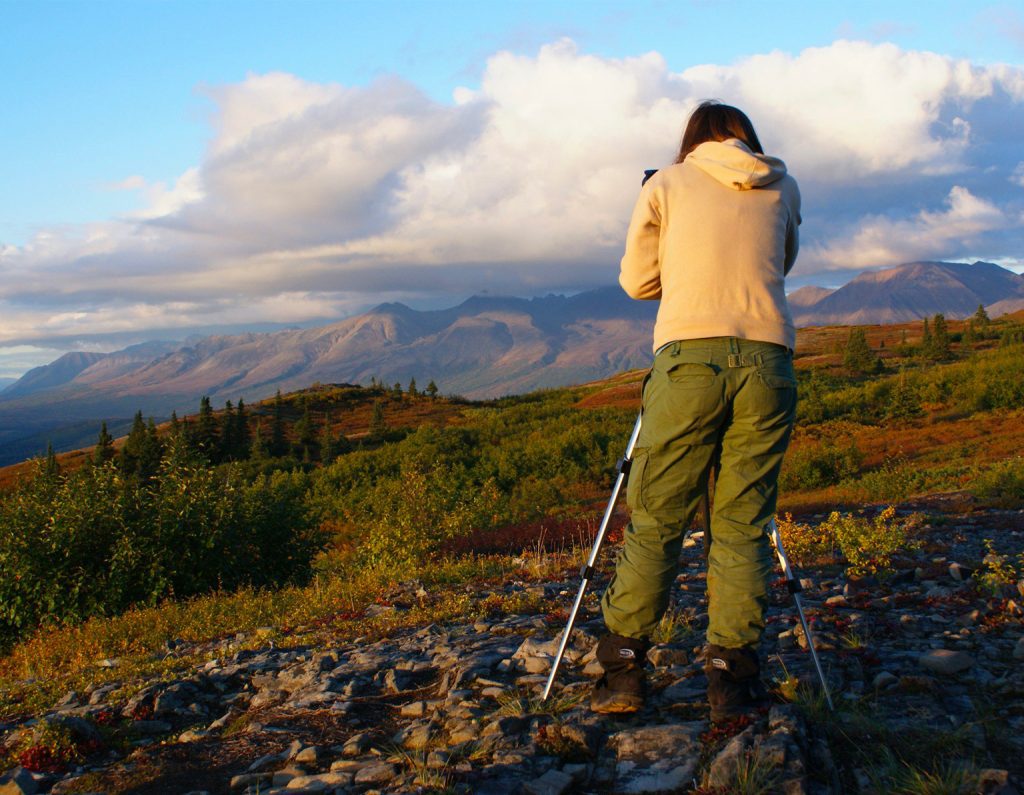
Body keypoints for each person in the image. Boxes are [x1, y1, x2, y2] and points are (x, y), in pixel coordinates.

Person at [591, 100, 801, 722]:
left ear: (691, 140)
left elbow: (637, 282)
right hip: (769, 359)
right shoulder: (782, 184)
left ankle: (625, 670)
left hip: (688, 363)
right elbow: (780, 264)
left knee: (658, 516)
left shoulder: (666, 184)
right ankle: (731, 679)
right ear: (748, 141)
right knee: (742, 522)